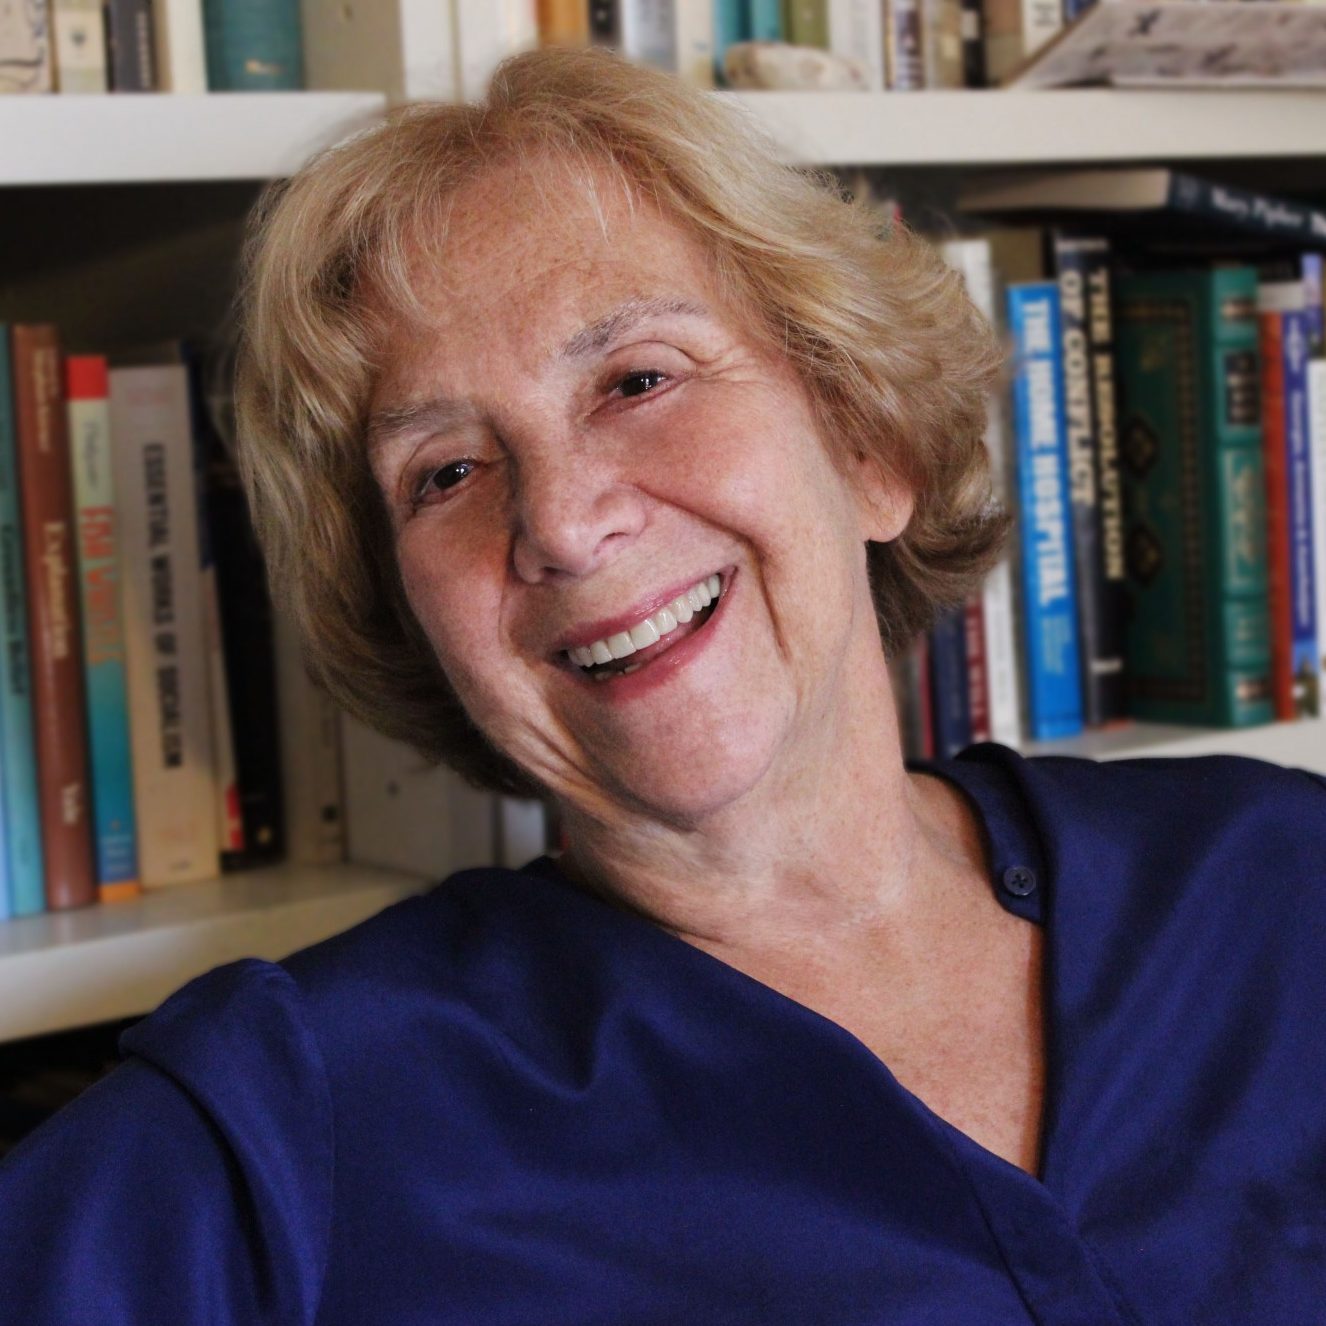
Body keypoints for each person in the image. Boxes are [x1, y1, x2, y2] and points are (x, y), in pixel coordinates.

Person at [1, 47, 1324, 1325]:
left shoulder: (1273, 880)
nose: (562, 524)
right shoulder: (292, 1125)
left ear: (868, 442)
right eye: (446, 472)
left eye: (637, 379)